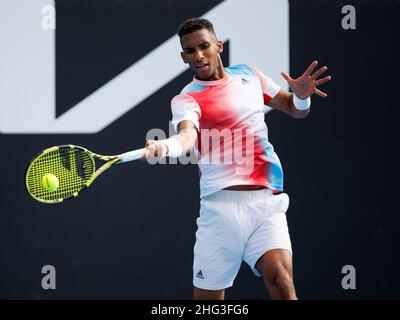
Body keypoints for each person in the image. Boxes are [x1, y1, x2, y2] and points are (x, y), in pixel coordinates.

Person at [144, 18, 331, 300]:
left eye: (204, 46)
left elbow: (293, 109)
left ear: (218, 46)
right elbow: (186, 138)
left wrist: (301, 97)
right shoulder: (186, 99)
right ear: (183, 56)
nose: (198, 56)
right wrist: (166, 147)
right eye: (190, 51)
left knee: (281, 281)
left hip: (267, 202)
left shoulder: (249, 76)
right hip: (220, 212)